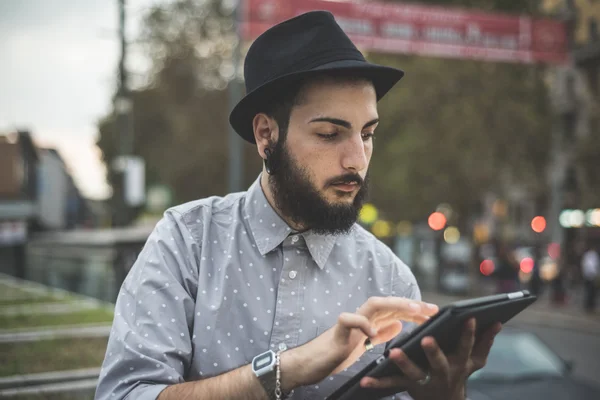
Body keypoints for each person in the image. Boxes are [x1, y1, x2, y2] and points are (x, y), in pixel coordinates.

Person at [95, 11, 500, 400]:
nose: (357, 159)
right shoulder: (187, 242)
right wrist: (286, 368)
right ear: (266, 134)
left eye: (368, 134)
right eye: (329, 134)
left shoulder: (390, 279)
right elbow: (127, 394)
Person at [581, 244, 599, 313]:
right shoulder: (593, 255)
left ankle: (589, 305)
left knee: (589, 292)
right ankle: (589, 306)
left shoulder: (588, 255)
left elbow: (585, 265)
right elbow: (593, 266)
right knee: (590, 292)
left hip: (588, 275)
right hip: (591, 276)